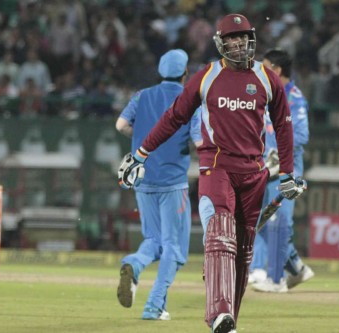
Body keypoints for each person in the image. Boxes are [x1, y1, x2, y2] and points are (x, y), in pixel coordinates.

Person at [118, 14, 305, 333]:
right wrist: (141, 153)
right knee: (220, 235)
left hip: (255, 174)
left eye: (242, 37)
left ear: (251, 39)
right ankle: (218, 313)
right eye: (231, 38)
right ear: (220, 42)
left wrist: (286, 173)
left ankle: (228, 319)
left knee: (244, 253)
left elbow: (285, 129)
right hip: (216, 168)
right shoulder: (206, 76)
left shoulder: (266, 78)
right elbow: (173, 118)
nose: (238, 43)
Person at [115, 49, 202, 321]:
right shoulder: (189, 100)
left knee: (154, 240)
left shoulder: (142, 96)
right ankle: (154, 305)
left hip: (143, 180)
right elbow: (201, 141)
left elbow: (120, 125)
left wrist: (141, 138)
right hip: (173, 183)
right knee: (174, 248)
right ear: (185, 73)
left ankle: (134, 263)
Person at [248, 49, 314, 293]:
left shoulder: (294, 98)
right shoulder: (266, 96)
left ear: (276, 70)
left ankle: (275, 280)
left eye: (265, 68)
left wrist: (278, 153)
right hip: (267, 168)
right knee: (261, 222)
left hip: (286, 169)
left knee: (278, 221)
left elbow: (302, 135)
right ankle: (295, 267)